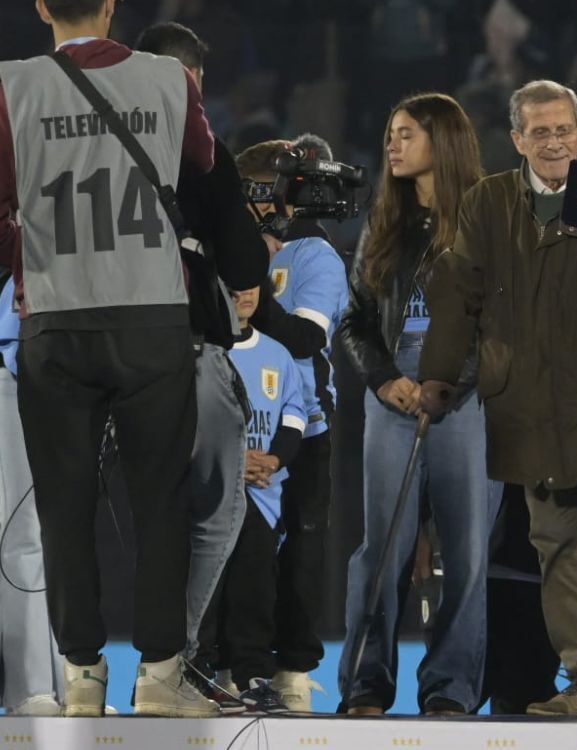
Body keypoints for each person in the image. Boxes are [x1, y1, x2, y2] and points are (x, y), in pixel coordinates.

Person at [0, 0, 219, 718]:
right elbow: (203, 180)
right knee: (161, 504)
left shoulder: (12, 87)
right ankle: (158, 680)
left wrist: (22, 258)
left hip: (57, 323)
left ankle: (82, 681)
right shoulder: (167, 80)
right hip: (151, 318)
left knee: (64, 511)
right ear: (112, 5)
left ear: (40, 6)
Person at [418, 80, 577, 716]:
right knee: (556, 547)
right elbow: (458, 290)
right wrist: (439, 376)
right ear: (517, 139)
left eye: (564, 130)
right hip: (525, 405)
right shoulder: (488, 201)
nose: (554, 142)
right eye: (540, 131)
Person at [337, 93, 502, 716]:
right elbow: (352, 320)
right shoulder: (384, 225)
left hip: (465, 400)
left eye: (407, 133)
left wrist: (451, 379)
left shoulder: (490, 218)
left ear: (443, 141)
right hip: (393, 400)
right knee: (380, 549)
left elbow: (504, 318)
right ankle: (365, 686)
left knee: (466, 552)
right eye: (390, 132)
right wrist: (383, 379)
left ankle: (450, 691)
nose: (393, 144)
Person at [133, 20, 271, 672]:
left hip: (88, 357)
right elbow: (246, 267)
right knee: (217, 510)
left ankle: (72, 672)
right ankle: (169, 665)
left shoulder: (88, 147)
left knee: (114, 518)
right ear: (196, 81)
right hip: (184, 351)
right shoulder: (205, 154)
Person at [236, 139, 350, 711]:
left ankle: (294, 670)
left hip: (304, 427)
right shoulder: (236, 248)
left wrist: (250, 289)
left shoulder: (315, 256)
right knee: (240, 553)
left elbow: (307, 339)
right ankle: (236, 664)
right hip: (237, 428)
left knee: (300, 550)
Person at [196, 285, 306, 715]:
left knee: (254, 588)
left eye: (251, 285)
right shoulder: (200, 353)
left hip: (262, 496)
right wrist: (233, 461)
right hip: (211, 494)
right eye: (231, 286)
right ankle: (197, 673)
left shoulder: (278, 355)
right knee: (205, 591)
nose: (243, 294)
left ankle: (253, 676)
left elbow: (294, 418)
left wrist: (274, 459)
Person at [0, 274, 62, 717]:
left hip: (45, 378)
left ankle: (65, 681)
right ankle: (31, 685)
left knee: (48, 535)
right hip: (19, 376)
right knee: (24, 537)